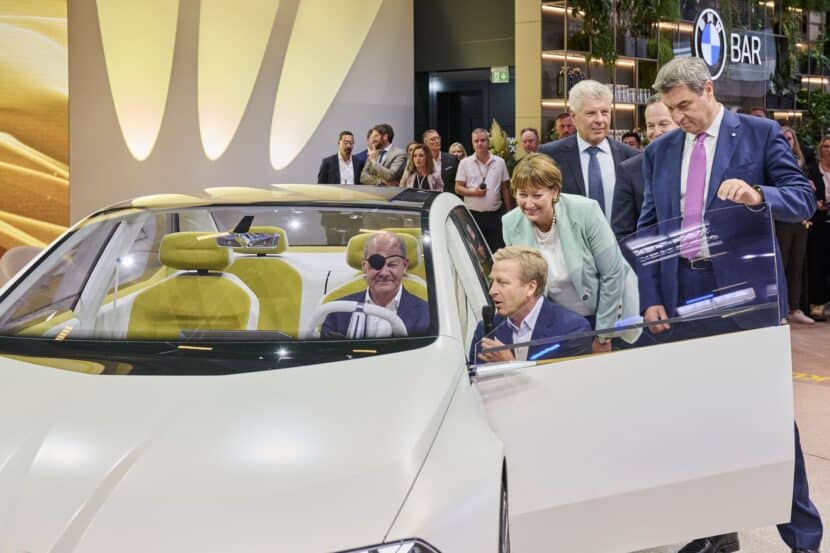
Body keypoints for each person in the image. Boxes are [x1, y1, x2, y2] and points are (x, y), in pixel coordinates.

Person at [638, 56, 821, 553]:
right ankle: (712, 531)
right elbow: (650, 228)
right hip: (684, 300)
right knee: (696, 422)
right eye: (671, 110)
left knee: (768, 420)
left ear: (709, 90)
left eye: (685, 106)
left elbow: (802, 197)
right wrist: (653, 298)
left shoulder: (758, 136)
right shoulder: (661, 152)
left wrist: (758, 195)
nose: (679, 118)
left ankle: (802, 537)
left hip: (746, 300)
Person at [503, 153, 641, 352]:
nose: (529, 203)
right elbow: (524, 284)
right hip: (559, 322)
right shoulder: (510, 223)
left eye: (537, 195)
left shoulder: (586, 211)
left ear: (555, 192)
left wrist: (602, 336)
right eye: (522, 195)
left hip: (606, 313)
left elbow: (613, 273)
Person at [539, 80, 639, 221]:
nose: (600, 120)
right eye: (591, 113)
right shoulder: (550, 155)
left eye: (605, 112)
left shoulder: (632, 157)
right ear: (573, 116)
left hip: (620, 241)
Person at [470, 246, 592, 362]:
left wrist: (510, 365)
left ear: (530, 288)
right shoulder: (485, 331)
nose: (492, 291)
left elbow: (568, 383)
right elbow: (474, 381)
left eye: (502, 283)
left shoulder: (572, 330)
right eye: (492, 281)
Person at [322, 231, 429, 338]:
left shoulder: (426, 315)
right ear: (364, 266)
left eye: (392, 264)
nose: (384, 273)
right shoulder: (338, 311)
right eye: (376, 265)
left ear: (404, 266)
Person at [611, 95, 679, 239]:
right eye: (650, 125)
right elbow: (622, 234)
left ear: (679, 123)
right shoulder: (629, 170)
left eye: (663, 124)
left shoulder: (697, 160)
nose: (656, 132)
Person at [777, 126, 815, 324]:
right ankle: (779, 309)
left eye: (790, 138)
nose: (787, 141)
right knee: (779, 265)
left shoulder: (801, 164)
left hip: (800, 221)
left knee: (796, 265)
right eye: (783, 138)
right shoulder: (773, 162)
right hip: (781, 220)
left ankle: (794, 307)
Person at [455, 128, 514, 251]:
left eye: (483, 140)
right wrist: (474, 192)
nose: (479, 144)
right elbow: (458, 188)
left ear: (488, 142)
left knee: (497, 249)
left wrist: (509, 212)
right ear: (472, 143)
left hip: (494, 215)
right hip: (472, 215)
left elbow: (505, 189)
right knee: (475, 250)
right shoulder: (465, 163)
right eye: (476, 141)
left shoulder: (500, 162)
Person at [808, 134, 830, 321]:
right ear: (820, 149)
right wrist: (815, 202)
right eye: (825, 146)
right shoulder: (812, 170)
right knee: (818, 263)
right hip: (819, 222)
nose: (828, 150)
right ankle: (817, 304)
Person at [423, 129, 458, 194]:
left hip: (447, 198)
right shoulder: (422, 160)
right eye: (433, 139)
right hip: (427, 197)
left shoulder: (452, 159)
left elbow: (457, 182)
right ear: (425, 142)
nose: (437, 141)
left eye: (438, 138)